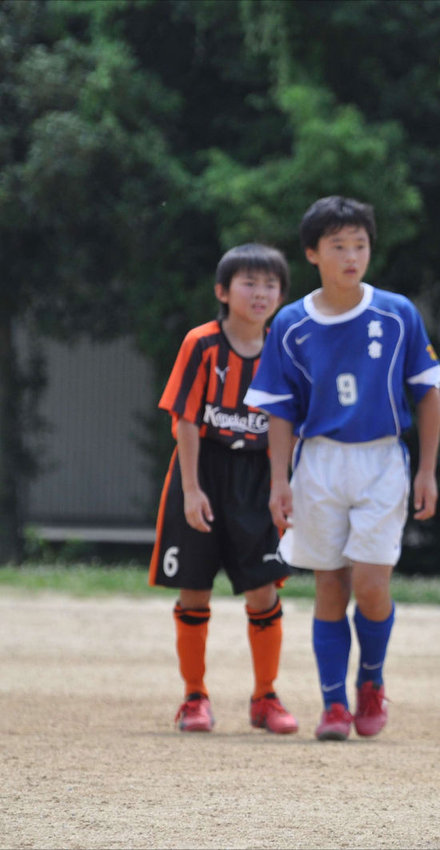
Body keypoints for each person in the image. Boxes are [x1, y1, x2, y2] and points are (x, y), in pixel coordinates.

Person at [244, 196, 440, 741]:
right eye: (338, 246)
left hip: (382, 459)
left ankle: (371, 684)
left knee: (372, 584)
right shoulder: (290, 323)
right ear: (313, 253)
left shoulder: (397, 313)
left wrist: (427, 471)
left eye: (360, 244)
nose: (352, 255)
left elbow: (427, 394)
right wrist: (279, 481)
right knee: (330, 586)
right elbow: (280, 412)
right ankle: (333, 705)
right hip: (320, 461)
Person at [149, 243, 297, 734]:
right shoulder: (203, 343)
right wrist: (191, 490)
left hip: (257, 475)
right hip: (203, 469)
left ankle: (266, 697)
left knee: (261, 591)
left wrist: (281, 486)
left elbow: (286, 422)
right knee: (193, 589)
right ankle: (193, 697)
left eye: (270, 284)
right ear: (223, 291)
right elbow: (186, 418)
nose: (260, 293)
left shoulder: (284, 344)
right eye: (249, 283)